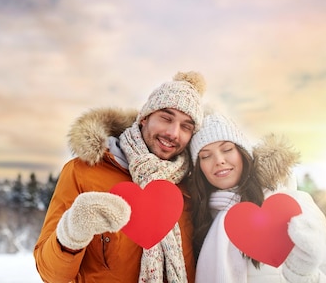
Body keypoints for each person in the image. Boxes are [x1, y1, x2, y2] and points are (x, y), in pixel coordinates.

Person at [34, 71, 206, 283]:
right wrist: (72, 232)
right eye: (166, 118)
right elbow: (50, 275)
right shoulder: (83, 172)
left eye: (186, 126)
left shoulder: (193, 183)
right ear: (144, 118)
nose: (173, 132)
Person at [188, 110, 326, 283]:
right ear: (199, 168)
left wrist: (302, 274)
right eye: (206, 156)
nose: (218, 160)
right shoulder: (200, 218)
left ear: (243, 153)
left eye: (227, 149)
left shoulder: (294, 205)